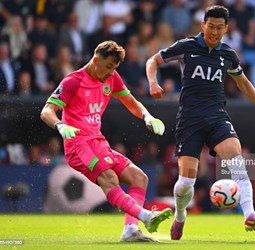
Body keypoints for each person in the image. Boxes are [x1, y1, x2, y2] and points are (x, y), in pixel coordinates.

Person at [146, 5, 255, 240]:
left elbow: (243, 83)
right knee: (185, 182)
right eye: (210, 26)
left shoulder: (228, 55)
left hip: (217, 116)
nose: (214, 31)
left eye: (219, 28)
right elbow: (153, 60)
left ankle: (250, 214)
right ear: (203, 25)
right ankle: (180, 216)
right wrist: (153, 82)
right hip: (189, 119)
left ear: (226, 29)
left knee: (237, 160)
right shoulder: (187, 46)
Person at [40, 40, 171, 242]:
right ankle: (146, 216)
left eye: (115, 68)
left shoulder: (112, 78)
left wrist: (147, 117)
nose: (111, 72)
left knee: (140, 178)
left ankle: (130, 231)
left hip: (99, 143)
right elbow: (46, 111)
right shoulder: (73, 81)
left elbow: (131, 102)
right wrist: (60, 126)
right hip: (78, 145)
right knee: (109, 178)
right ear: (95, 60)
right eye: (109, 66)